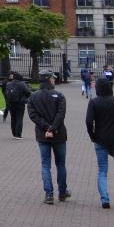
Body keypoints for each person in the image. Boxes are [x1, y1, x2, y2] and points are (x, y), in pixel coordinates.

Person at [85, 76, 114, 209]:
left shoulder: (94, 102)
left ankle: (105, 198)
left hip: (100, 139)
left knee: (102, 170)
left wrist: (92, 135)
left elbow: (89, 121)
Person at [27, 72, 71, 204]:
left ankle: (49, 194)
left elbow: (33, 116)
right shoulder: (59, 96)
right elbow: (61, 114)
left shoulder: (33, 97)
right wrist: (53, 128)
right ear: (48, 80)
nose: (54, 80)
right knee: (61, 164)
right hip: (58, 134)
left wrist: (46, 128)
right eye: (52, 78)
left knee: (45, 165)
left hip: (43, 135)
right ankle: (62, 192)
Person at [4, 71, 33, 138]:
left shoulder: (8, 84)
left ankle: (14, 134)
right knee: (19, 118)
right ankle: (18, 135)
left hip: (11, 104)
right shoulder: (22, 84)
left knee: (13, 118)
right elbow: (28, 92)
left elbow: (6, 93)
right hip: (20, 104)